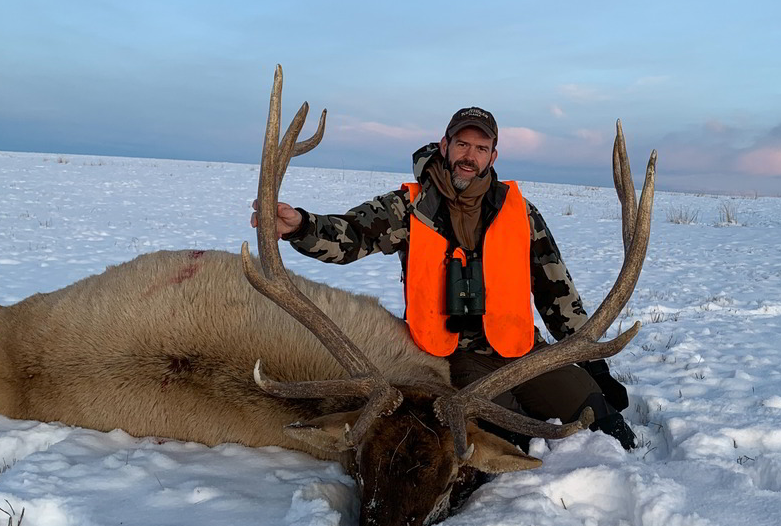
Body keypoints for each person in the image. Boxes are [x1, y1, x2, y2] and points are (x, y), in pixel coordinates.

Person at [251, 106, 636, 450]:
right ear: (445, 145)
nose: (470, 156)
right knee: (505, 437)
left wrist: (593, 363)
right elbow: (349, 236)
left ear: (493, 156)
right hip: (452, 358)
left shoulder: (520, 212)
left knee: (601, 418)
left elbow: (557, 291)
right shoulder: (408, 207)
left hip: (522, 350)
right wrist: (301, 226)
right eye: (463, 144)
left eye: (481, 148)